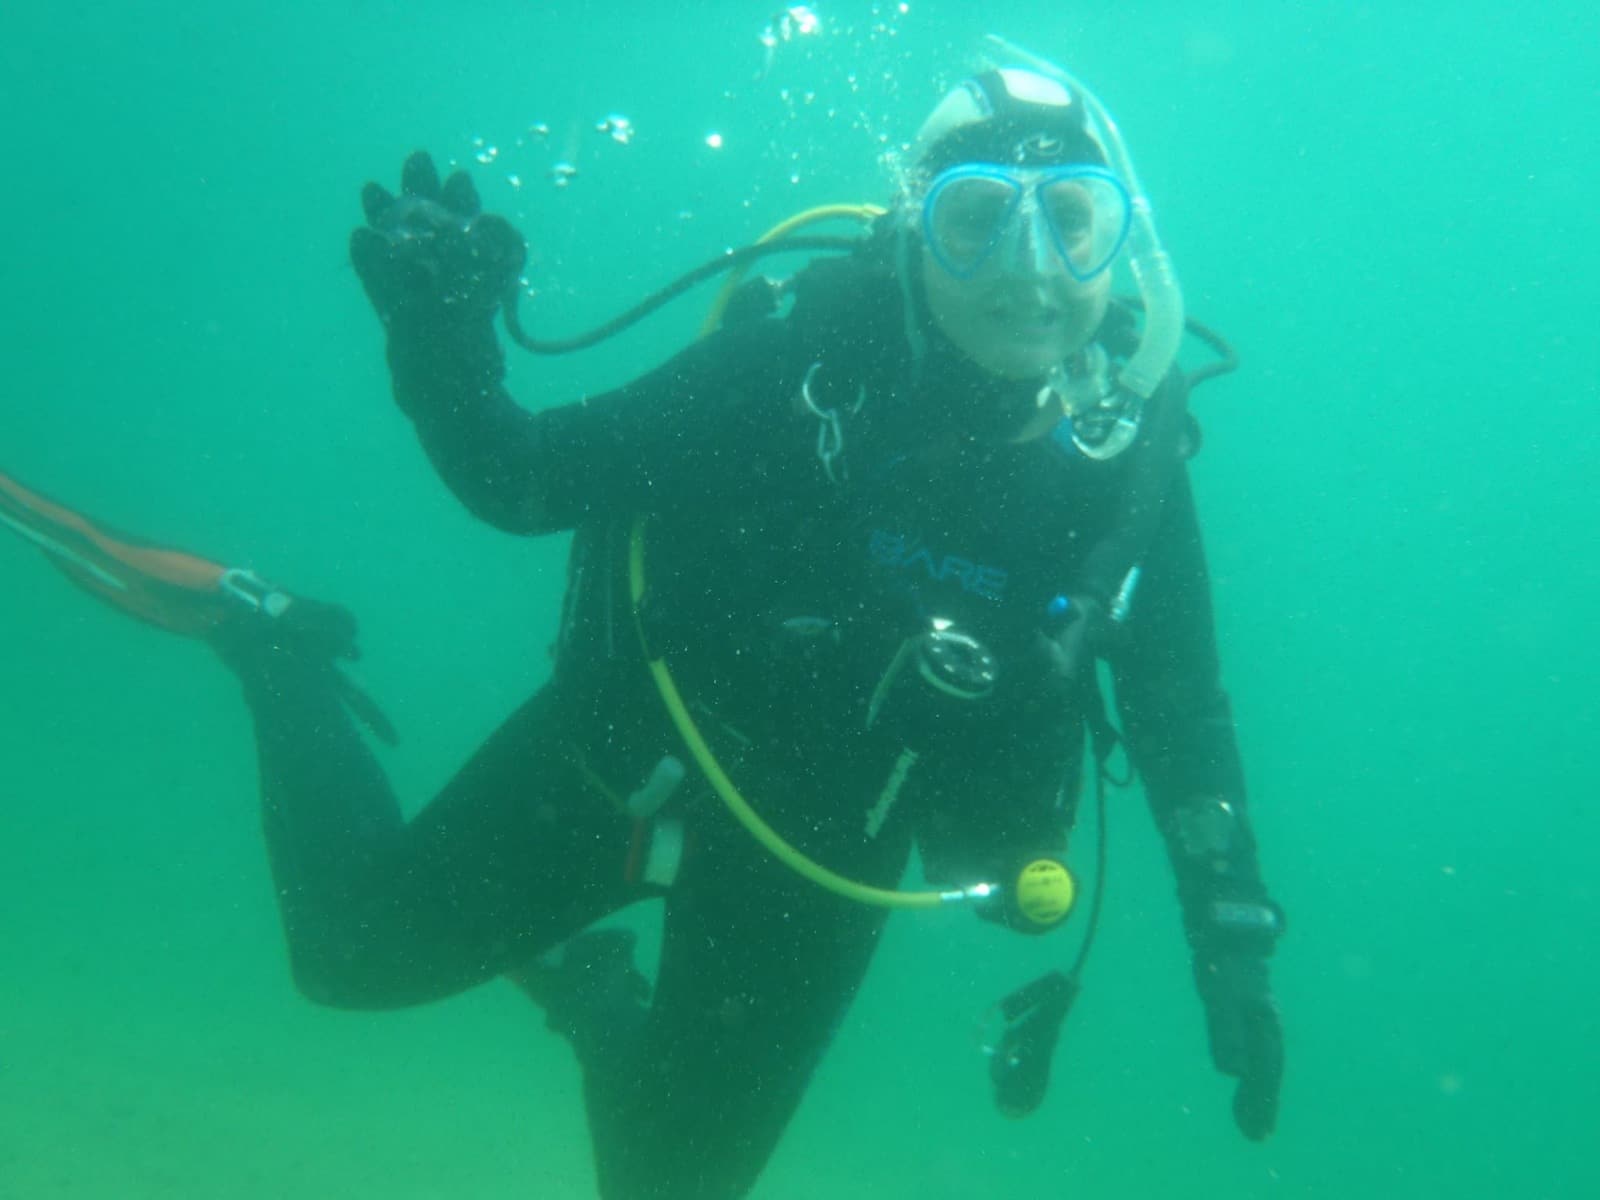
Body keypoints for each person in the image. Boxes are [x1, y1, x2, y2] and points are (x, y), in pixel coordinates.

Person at [5, 57, 1285, 1200]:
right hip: (626, 760)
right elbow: (524, 481)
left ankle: (588, 992)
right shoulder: (794, 373)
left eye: (1072, 220)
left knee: (669, 1188)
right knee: (346, 960)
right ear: (913, 235)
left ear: (1126, 249)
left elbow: (1178, 708)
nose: (1028, 268)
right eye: (974, 220)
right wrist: (438, 337)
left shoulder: (1124, 469)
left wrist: (1229, 937)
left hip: (822, 859)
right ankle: (273, 648)